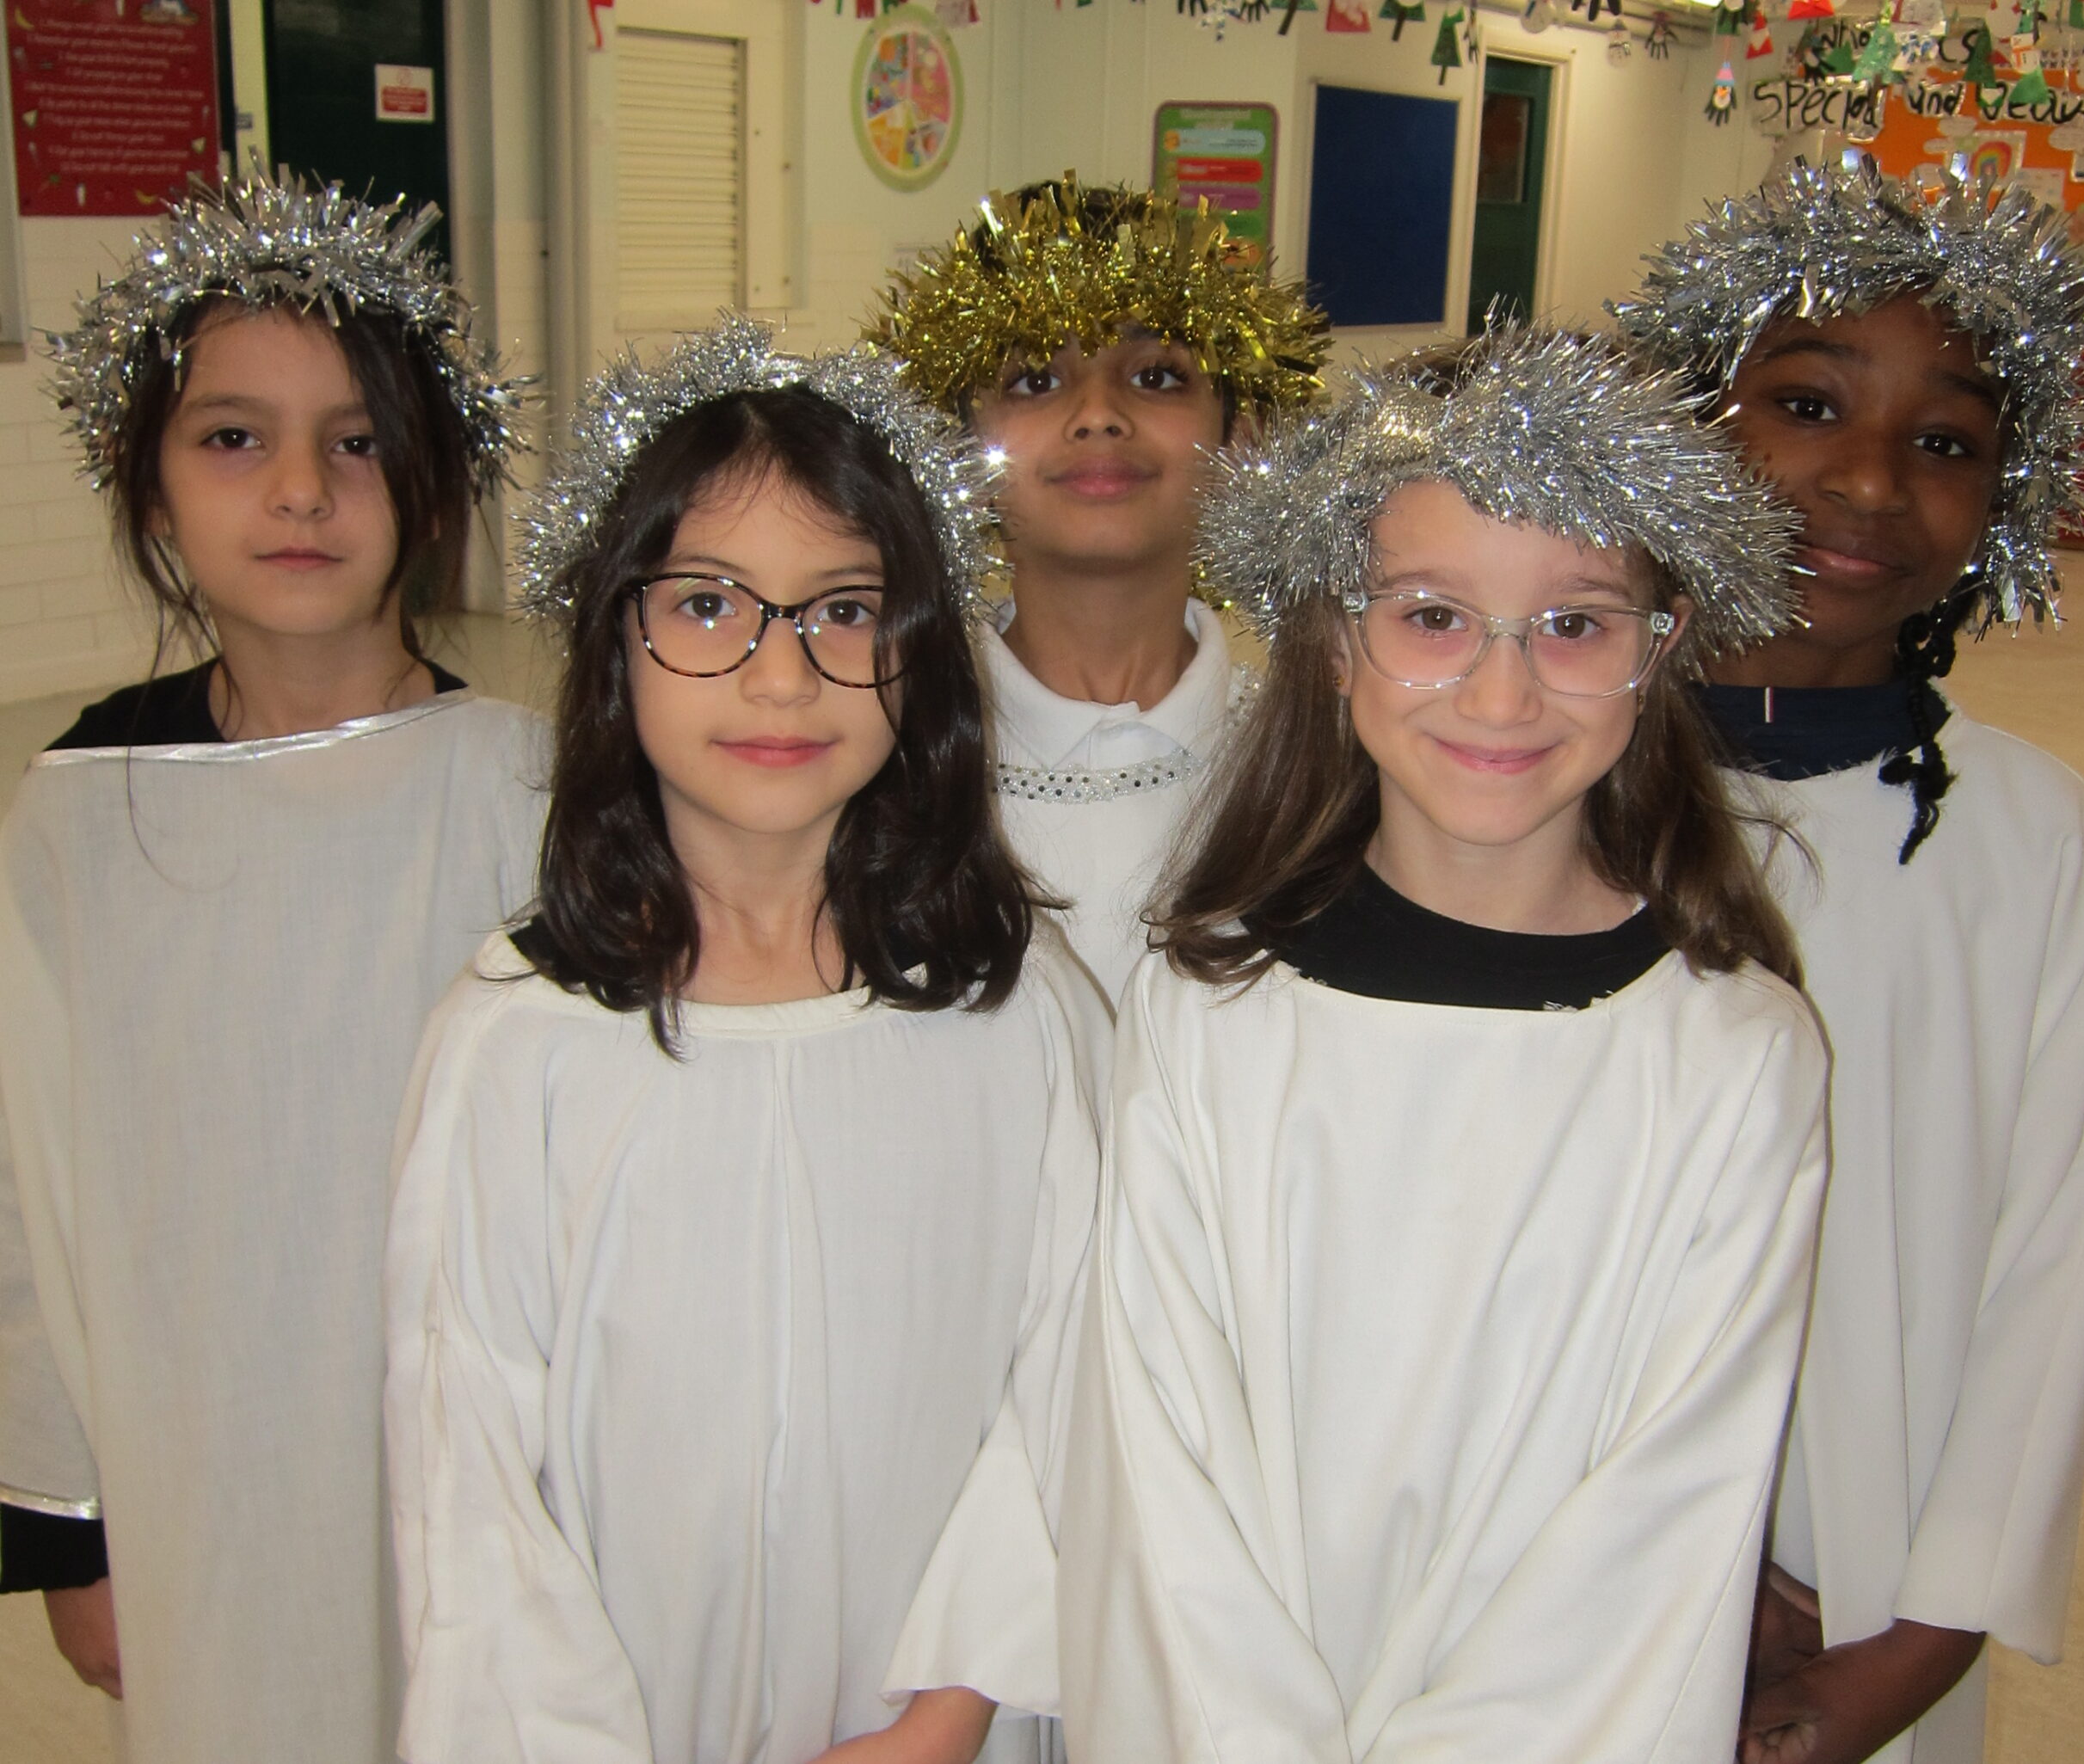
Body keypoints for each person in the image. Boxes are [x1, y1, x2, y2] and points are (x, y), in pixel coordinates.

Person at [1056, 326, 1829, 1762]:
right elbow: (1157, 1469)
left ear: (1660, 650)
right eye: (1432, 616)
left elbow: (1665, 1529)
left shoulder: (1734, 1056)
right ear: (1335, 636)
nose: (1501, 693)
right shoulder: (1209, 1006)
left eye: (1576, 624)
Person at [383, 319, 1106, 1764]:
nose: (783, 678)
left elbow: (1076, 1382)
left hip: (944, 1723)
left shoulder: (1020, 1013)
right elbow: (470, 1479)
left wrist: (949, 1710)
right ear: (615, 640)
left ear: (918, 654)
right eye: (708, 605)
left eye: (843, 610)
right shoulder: (516, 1043)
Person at [0, 171, 539, 1763]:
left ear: (428, 490)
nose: (301, 490)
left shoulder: (528, 789)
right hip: (206, 1477)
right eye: (234, 437)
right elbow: (26, 1192)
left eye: (357, 442)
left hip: (482, 1465)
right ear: (153, 490)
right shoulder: (82, 809)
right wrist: (66, 1525)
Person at [1615, 156, 2084, 1764]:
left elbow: (2050, 1264)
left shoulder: (2035, 838)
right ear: (1683, 430)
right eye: (1806, 405)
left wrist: (1919, 1635)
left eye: (1947, 443)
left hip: (1877, 1571)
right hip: (1546, 1571)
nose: (1868, 480)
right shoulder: (1536, 785)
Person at [866, 177, 1330, 1003]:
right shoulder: (885, 763)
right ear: (951, 448)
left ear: (1242, 436)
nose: (1098, 415)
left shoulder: (1317, 768)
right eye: (1034, 381)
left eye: (1156, 376)